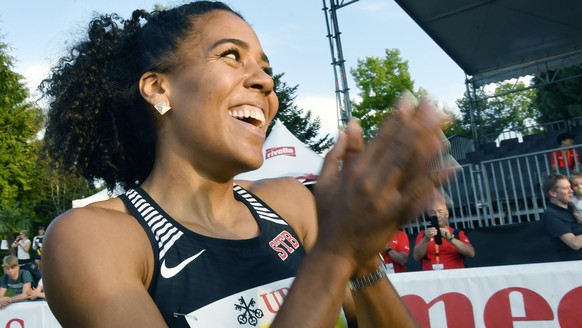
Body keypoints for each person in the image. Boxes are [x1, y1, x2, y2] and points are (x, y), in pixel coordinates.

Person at [40, 1, 453, 327]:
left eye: (266, 69)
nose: (265, 81)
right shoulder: (92, 239)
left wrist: (361, 261)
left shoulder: (291, 204)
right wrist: (335, 252)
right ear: (159, 88)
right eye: (231, 56)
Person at [413, 192, 475, 270]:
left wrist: (451, 239)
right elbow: (416, 256)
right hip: (430, 277)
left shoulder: (456, 233)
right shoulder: (423, 234)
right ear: (429, 215)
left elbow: (471, 253)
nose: (437, 215)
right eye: (432, 212)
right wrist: (426, 239)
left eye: (440, 211)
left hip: (454, 276)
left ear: (447, 214)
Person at [542, 174, 582, 261]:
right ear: (553, 193)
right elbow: (575, 243)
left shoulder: (572, 208)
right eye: (565, 188)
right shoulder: (551, 215)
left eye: (570, 187)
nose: (571, 191)